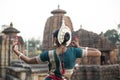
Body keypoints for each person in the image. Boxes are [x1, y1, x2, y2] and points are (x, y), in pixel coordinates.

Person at [12, 20, 101, 80]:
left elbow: (29, 60)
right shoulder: (75, 52)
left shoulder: (48, 54)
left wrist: (16, 51)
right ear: (68, 39)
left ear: (55, 39)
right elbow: (98, 53)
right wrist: (79, 47)